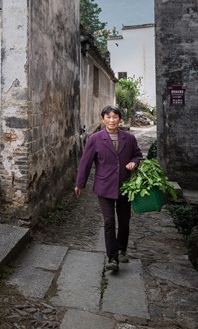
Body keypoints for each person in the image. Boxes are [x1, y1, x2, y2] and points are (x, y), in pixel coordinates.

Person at [74, 105, 143, 272]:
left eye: (115, 117)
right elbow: (85, 162)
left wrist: (134, 162)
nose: (112, 120)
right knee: (109, 221)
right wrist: (80, 183)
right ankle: (112, 258)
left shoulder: (129, 138)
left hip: (125, 186)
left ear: (120, 119)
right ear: (103, 119)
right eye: (108, 117)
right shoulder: (95, 139)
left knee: (124, 220)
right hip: (104, 186)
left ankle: (122, 249)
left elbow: (137, 155)